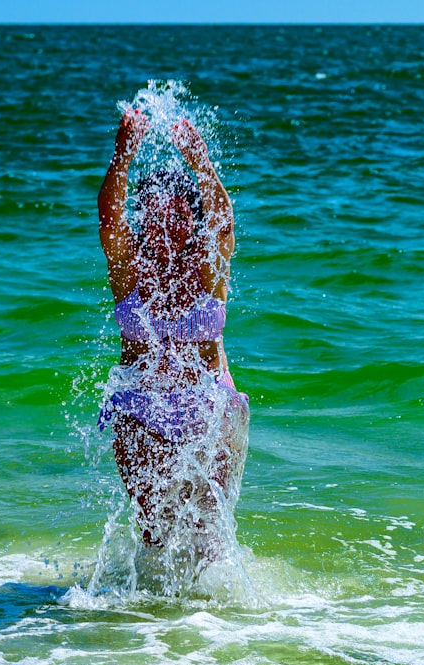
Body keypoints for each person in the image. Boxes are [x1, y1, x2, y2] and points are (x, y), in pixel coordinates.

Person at [97, 108, 249, 560]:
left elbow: (224, 219)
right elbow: (108, 215)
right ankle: (152, 623)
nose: (167, 226)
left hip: (210, 405)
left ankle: (213, 622)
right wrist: (123, 154)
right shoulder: (129, 267)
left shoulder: (207, 269)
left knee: (209, 535)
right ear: (142, 216)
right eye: (156, 214)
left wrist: (202, 163)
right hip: (141, 410)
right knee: (155, 535)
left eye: (179, 216)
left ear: (191, 219)